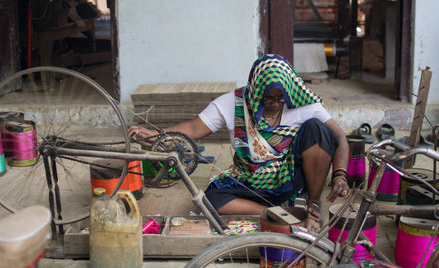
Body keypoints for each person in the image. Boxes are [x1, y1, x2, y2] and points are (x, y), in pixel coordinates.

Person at [128, 54, 350, 232]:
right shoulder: (233, 103)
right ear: (255, 90)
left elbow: (339, 138)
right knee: (210, 200)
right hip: (250, 180)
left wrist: (340, 174)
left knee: (317, 130)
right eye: (268, 99)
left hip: (292, 178)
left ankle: (312, 203)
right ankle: (277, 211)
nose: (274, 104)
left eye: (279, 99)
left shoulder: (302, 102)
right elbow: (194, 128)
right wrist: (152, 135)